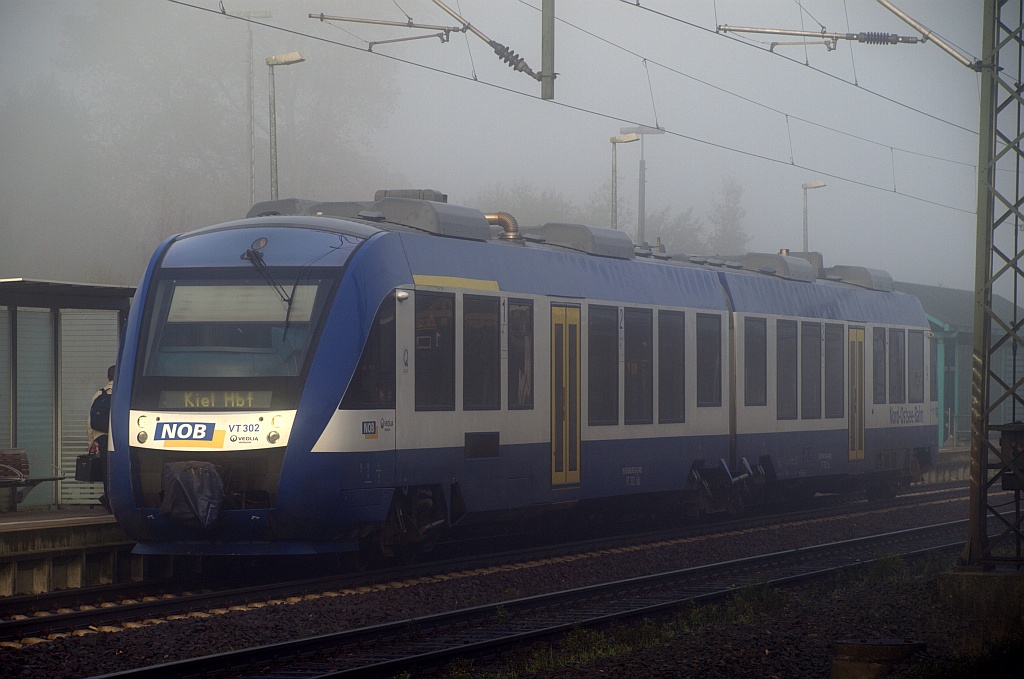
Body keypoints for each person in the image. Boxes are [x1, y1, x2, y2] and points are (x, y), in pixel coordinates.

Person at [87, 365, 114, 511]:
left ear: (108, 377)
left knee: (106, 469)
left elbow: (90, 421)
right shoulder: (123, 393)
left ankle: (109, 501)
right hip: (119, 437)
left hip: (102, 436)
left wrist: (91, 441)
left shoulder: (98, 394)